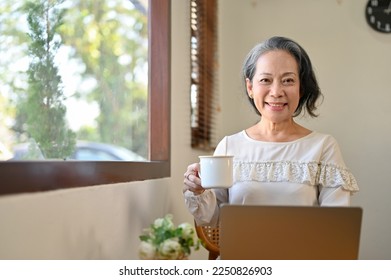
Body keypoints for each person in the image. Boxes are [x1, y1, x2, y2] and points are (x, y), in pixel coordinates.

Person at [183, 36, 359, 227]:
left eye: (288, 80)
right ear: (250, 87)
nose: (276, 92)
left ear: (301, 89)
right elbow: (213, 220)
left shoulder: (323, 147)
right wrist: (199, 191)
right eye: (266, 80)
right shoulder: (229, 146)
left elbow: (336, 226)